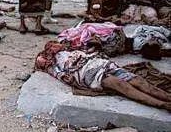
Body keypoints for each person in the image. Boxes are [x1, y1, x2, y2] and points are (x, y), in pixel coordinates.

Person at [35, 41, 171, 112]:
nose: (53, 47)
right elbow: (56, 73)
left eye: (54, 44)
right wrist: (65, 77)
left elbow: (90, 50)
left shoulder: (72, 49)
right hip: (88, 72)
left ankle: (167, 97)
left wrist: (92, 50)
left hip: (102, 64)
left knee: (139, 81)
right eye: (50, 47)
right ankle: (163, 104)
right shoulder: (52, 62)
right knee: (121, 85)